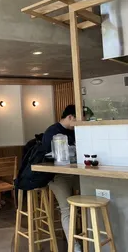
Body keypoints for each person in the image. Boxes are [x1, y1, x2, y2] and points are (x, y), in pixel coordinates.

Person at [43, 105, 81, 252]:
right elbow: (48, 157)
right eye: (77, 119)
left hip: (75, 173)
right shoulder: (52, 131)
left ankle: (89, 235)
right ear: (70, 117)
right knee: (67, 209)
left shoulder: (74, 131)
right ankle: (74, 247)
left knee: (90, 197)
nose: (79, 123)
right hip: (57, 176)